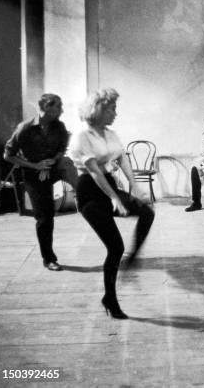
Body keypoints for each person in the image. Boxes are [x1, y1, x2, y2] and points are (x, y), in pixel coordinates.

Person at [69, 88, 155, 319]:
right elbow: (94, 172)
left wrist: (134, 187)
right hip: (90, 193)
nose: (115, 113)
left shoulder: (110, 134)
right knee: (115, 248)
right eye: (112, 108)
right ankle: (110, 299)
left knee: (147, 212)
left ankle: (133, 257)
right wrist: (115, 198)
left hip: (109, 185)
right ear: (98, 110)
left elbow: (122, 157)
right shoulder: (81, 138)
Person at [4, 93, 78, 271]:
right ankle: (49, 259)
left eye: (59, 109)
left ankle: (87, 199)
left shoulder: (59, 126)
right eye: (55, 109)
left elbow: (62, 148)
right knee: (45, 217)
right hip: (33, 173)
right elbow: (8, 155)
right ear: (43, 109)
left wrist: (53, 161)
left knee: (72, 168)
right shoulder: (25, 128)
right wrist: (36, 166)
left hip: (53, 167)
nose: (59, 113)